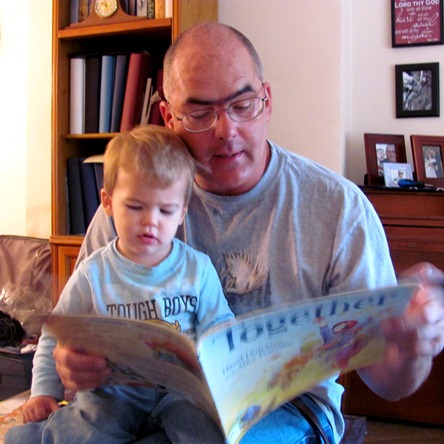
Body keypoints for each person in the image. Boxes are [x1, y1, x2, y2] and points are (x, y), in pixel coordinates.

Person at [49, 22, 444, 444]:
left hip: (289, 406)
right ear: (169, 118)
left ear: (267, 102)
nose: (226, 130)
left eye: (243, 105)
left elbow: (389, 383)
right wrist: (71, 361)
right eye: (200, 114)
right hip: (145, 402)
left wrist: (411, 349)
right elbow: (74, 339)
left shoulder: (339, 209)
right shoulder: (136, 201)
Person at [6, 125, 234, 444]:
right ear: (109, 202)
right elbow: (56, 332)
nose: (150, 220)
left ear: (182, 212)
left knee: (206, 431)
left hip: (180, 392)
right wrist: (44, 391)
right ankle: (33, 437)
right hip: (115, 390)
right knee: (90, 427)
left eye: (165, 210)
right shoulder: (94, 272)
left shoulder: (198, 268)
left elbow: (221, 327)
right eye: (135, 206)